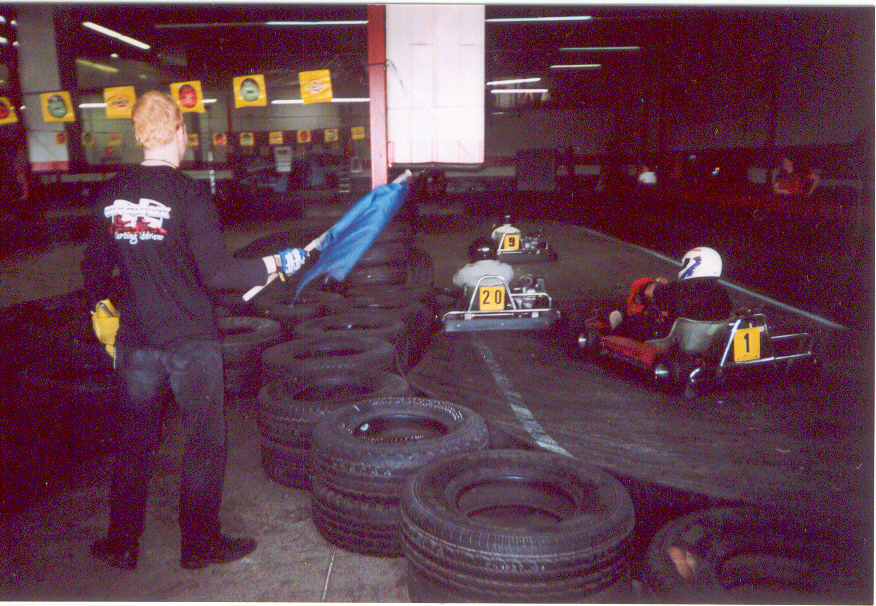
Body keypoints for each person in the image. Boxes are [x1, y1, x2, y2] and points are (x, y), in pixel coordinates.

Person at [80, 90, 310, 571]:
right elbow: (220, 276)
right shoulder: (189, 195)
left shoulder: (108, 195)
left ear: (139, 135)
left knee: (133, 443)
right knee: (204, 441)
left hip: (137, 341)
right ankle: (199, 544)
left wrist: (104, 309)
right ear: (180, 133)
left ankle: (122, 544)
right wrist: (278, 262)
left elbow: (95, 270)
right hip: (190, 342)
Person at [610, 247, 733, 342]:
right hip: (707, 341)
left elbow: (650, 293)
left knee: (649, 317)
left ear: (695, 265)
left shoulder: (680, 287)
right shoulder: (723, 293)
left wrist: (659, 283)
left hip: (676, 339)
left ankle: (616, 331)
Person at [452, 237, 515, 305]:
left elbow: (456, 282)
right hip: (502, 309)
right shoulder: (507, 269)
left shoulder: (465, 272)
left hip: (473, 308)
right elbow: (510, 279)